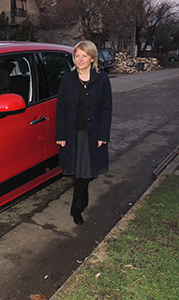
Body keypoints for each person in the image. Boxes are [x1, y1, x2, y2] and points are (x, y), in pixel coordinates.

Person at [55, 40, 112, 225]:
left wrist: (103, 135)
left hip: (93, 133)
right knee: (79, 173)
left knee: (86, 173)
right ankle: (78, 206)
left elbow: (106, 108)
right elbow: (60, 109)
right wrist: (61, 135)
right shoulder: (66, 80)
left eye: (84, 56)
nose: (80, 59)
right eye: (77, 55)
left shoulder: (102, 79)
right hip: (73, 134)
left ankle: (78, 205)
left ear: (92, 58)